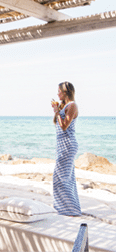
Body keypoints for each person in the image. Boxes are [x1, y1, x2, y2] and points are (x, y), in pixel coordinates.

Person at [51, 81, 81, 216]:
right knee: (64, 178)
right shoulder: (65, 106)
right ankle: (66, 208)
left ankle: (68, 210)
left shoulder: (73, 105)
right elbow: (59, 126)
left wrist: (57, 111)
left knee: (60, 178)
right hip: (62, 145)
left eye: (59, 91)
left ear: (65, 92)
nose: (57, 93)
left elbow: (64, 126)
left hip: (68, 145)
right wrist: (57, 111)